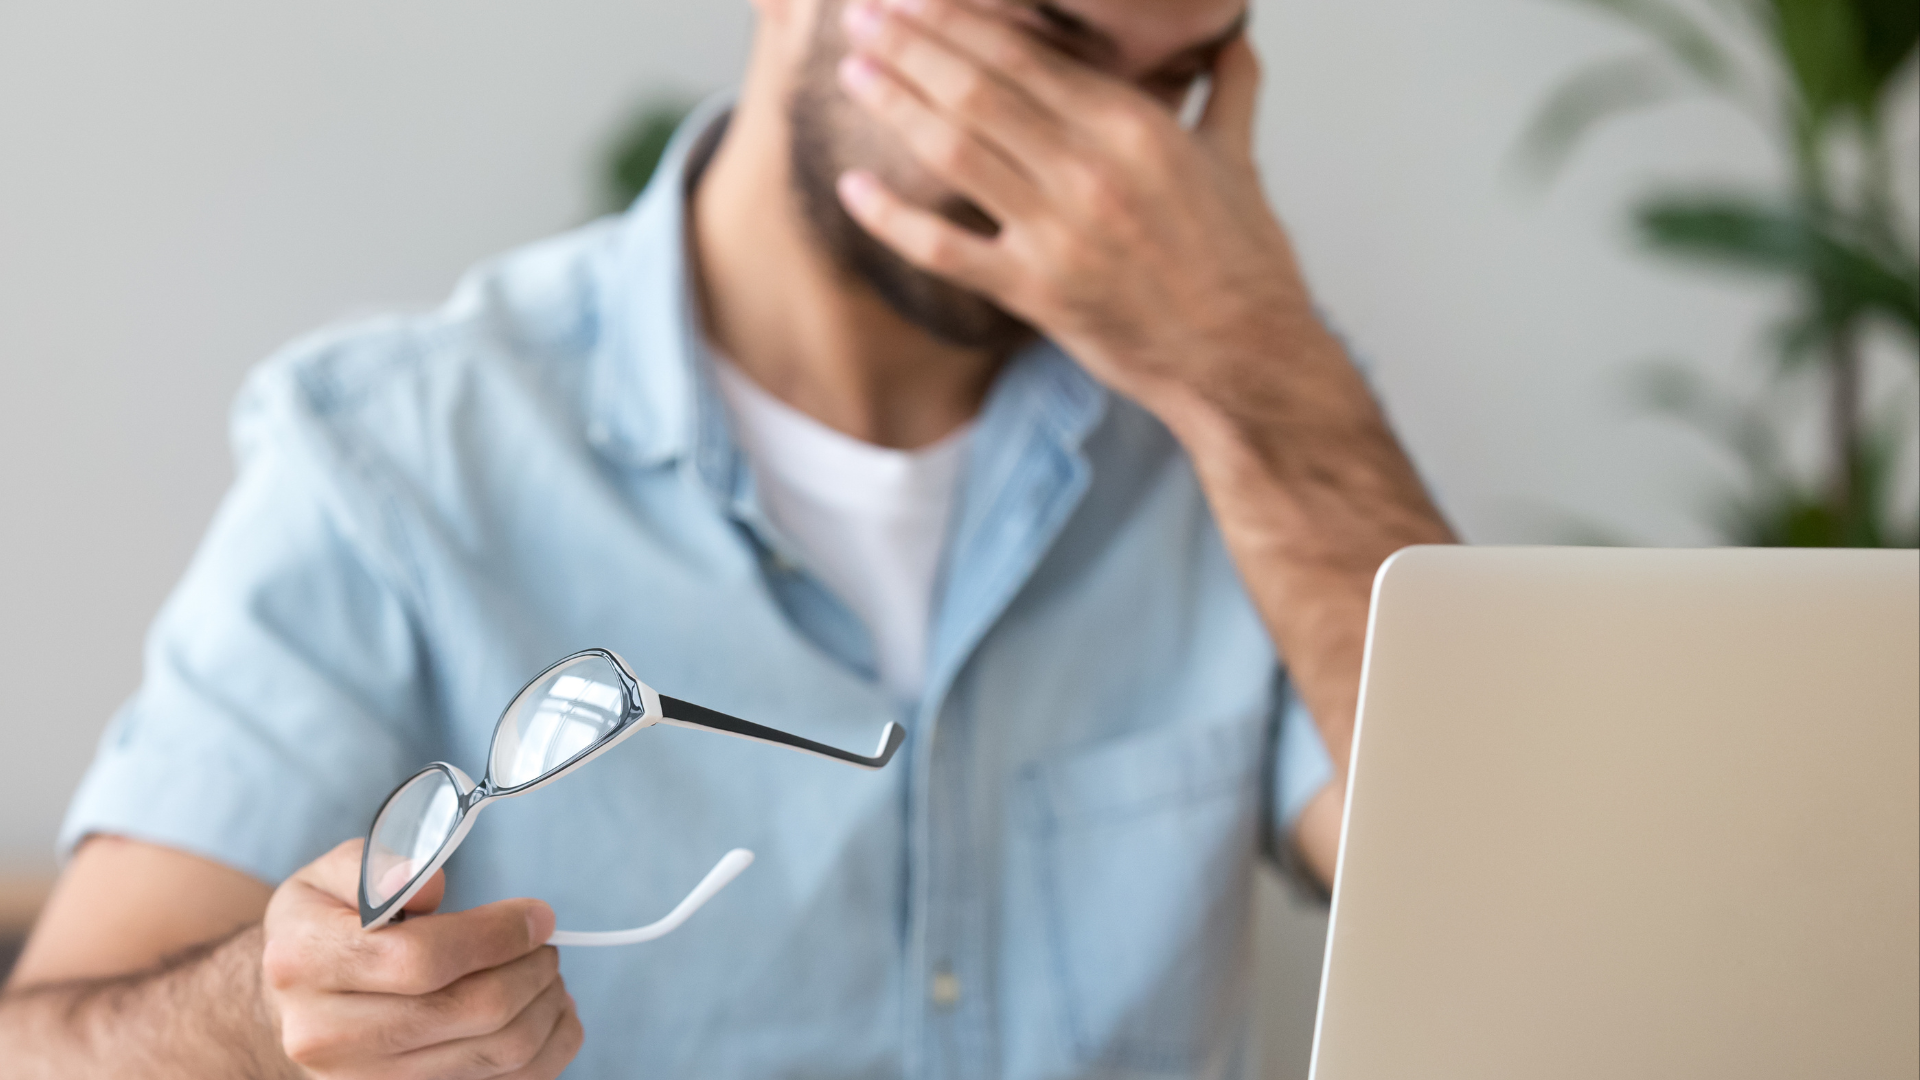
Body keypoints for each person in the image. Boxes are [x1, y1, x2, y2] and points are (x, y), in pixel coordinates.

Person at [0, 0, 1452, 1074]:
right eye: (1045, 56)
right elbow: (46, 1044)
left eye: (1175, 88)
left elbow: (1499, 905)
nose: (1112, 175)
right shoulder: (396, 461)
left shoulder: (1250, 444)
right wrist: (271, 1013)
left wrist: (1265, 375)